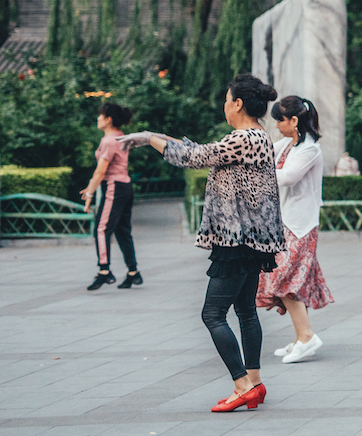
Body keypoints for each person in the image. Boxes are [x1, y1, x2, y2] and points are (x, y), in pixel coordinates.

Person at [119, 73, 284, 412]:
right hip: (251, 239)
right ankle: (253, 383)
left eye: (226, 100)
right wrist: (151, 137)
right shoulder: (256, 137)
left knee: (213, 314)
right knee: (245, 311)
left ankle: (242, 385)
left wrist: (150, 138)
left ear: (238, 103)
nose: (224, 106)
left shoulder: (245, 138)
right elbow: (198, 150)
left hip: (237, 240)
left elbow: (193, 157)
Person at [258, 96, 334, 364]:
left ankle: (306, 336)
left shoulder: (310, 149)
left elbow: (289, 176)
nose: (276, 124)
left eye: (280, 119)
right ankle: (302, 337)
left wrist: (255, 175)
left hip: (300, 226)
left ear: (294, 121)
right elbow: (264, 151)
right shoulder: (288, 145)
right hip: (286, 224)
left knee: (284, 281)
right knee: (290, 283)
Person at [82, 102, 142, 291]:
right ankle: (133, 272)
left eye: (100, 116)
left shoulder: (108, 141)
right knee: (122, 230)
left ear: (108, 120)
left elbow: (101, 171)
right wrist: (90, 188)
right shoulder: (120, 137)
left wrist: (90, 193)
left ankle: (104, 271)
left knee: (101, 229)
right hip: (124, 186)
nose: (97, 118)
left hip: (114, 187)